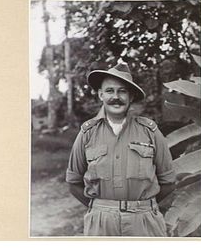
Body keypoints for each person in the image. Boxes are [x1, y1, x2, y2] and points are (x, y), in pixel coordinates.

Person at [65, 61, 176, 236]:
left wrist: (143, 206)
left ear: (131, 96)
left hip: (144, 221)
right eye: (109, 91)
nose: (115, 97)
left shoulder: (150, 131)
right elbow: (73, 182)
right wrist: (102, 208)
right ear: (101, 95)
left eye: (122, 91)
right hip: (101, 223)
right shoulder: (87, 133)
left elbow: (168, 182)